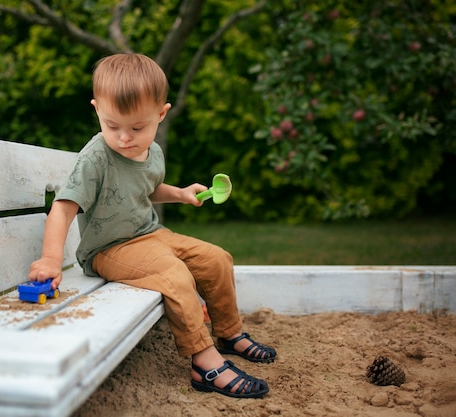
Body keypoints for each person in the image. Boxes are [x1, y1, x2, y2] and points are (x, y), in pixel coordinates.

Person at [28, 53, 276, 399]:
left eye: (137, 127)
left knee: (217, 258)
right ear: (97, 109)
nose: (125, 138)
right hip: (109, 249)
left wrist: (181, 194)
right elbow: (63, 209)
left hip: (151, 234)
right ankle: (204, 363)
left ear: (161, 114)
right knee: (175, 276)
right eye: (112, 126)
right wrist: (52, 259)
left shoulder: (152, 151)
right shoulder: (95, 158)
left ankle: (229, 333)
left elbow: (148, 188)